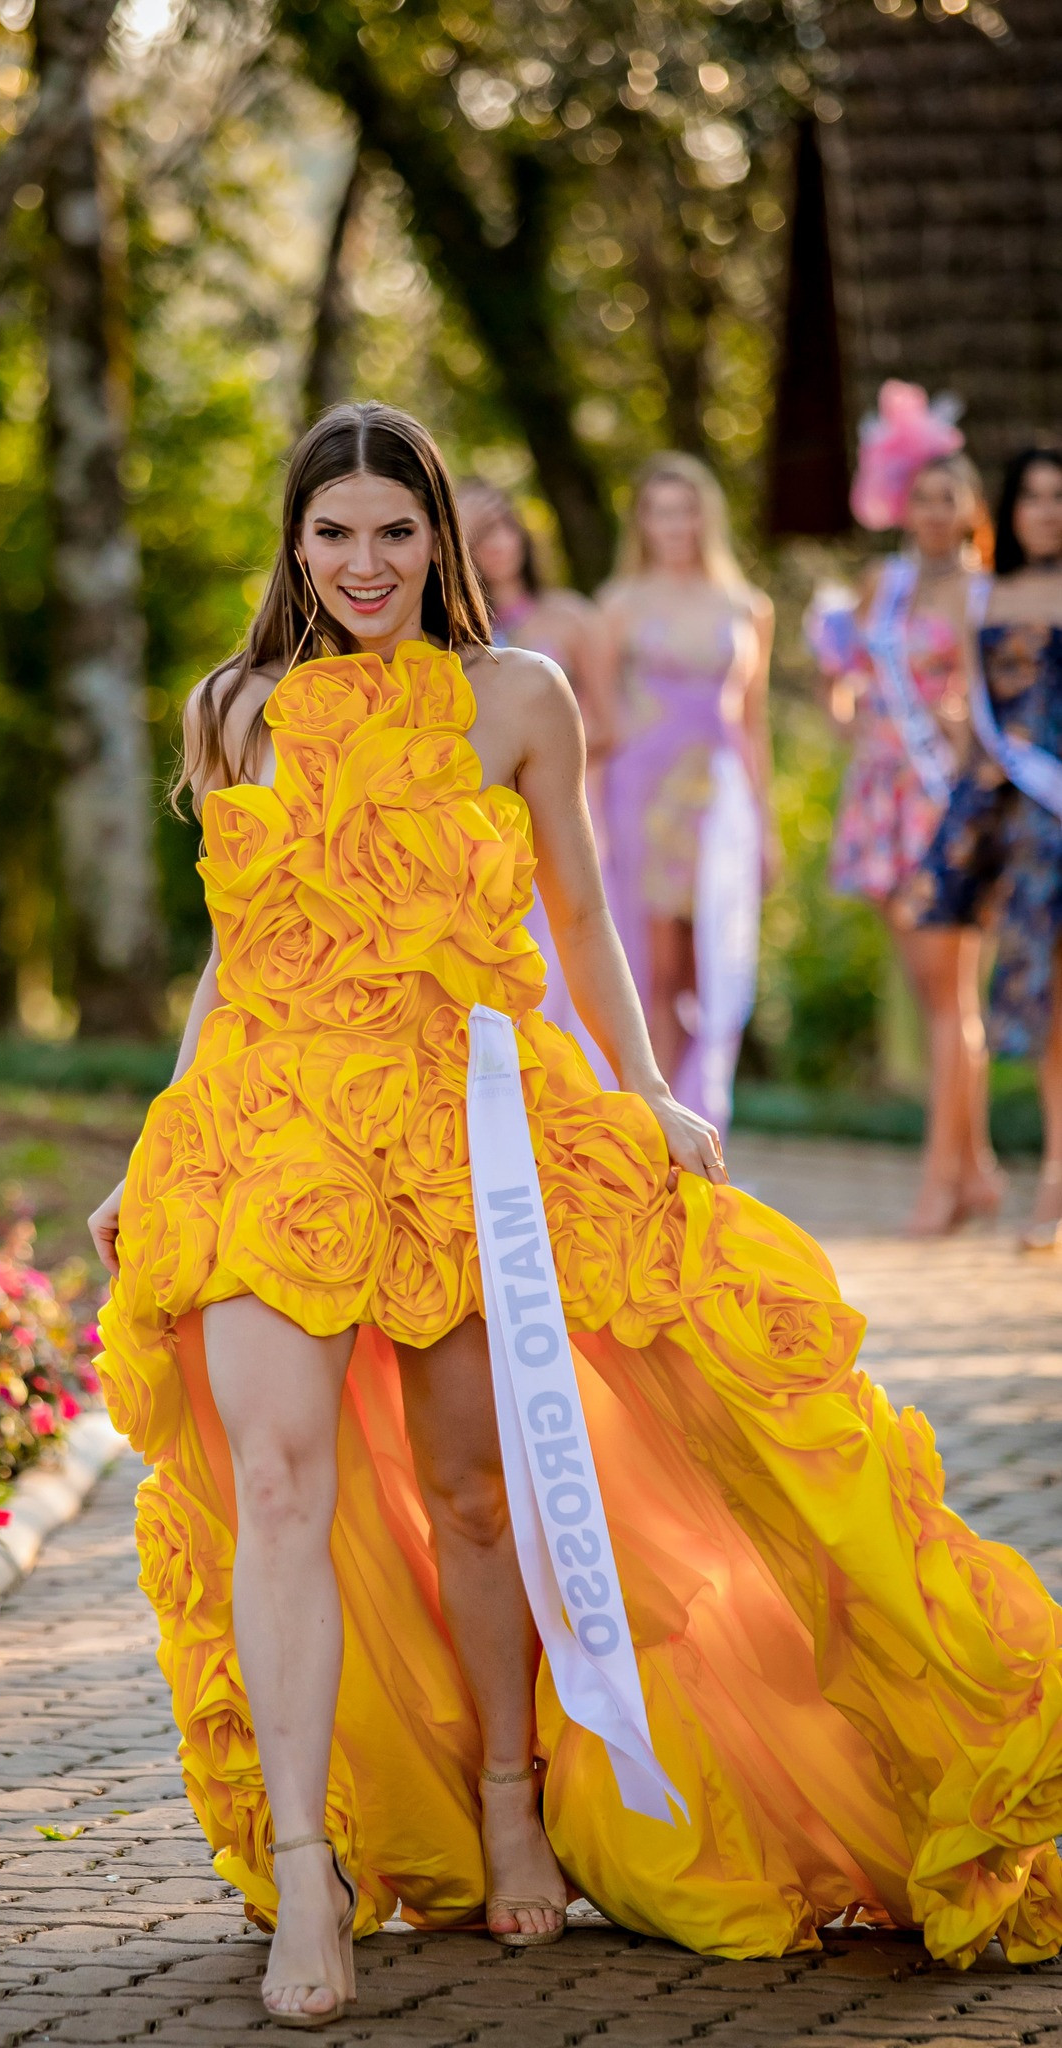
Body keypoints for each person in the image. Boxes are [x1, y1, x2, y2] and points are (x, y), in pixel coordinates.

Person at [88, 402, 1062, 2030]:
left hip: (458, 1119)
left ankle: (509, 1795)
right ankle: (315, 1872)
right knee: (274, 1478)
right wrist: (150, 1143)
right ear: (294, 544)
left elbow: (584, 918)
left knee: (477, 1490)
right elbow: (233, 953)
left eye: (396, 530)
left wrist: (646, 1084)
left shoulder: (517, 698)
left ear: (442, 539)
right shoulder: (232, 708)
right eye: (334, 532)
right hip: (263, 1125)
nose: (365, 562)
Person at [807, 383, 1002, 1236]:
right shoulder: (878, 585)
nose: (931, 512)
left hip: (946, 804)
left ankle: (941, 1179)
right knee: (929, 994)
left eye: (946, 499)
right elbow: (839, 681)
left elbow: (999, 704)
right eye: (919, 497)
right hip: (883, 797)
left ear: (969, 510)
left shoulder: (984, 593)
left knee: (946, 995)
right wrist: (835, 691)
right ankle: (977, 1171)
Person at [908, 446, 1062, 1251]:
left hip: (1054, 818)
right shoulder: (984, 594)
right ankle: (987, 1172)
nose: (1044, 510)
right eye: (1031, 496)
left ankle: (1053, 1186)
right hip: (993, 809)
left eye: (1057, 496)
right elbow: (977, 723)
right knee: (944, 952)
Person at [594, 453, 775, 1134]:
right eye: (659, 509)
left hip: (717, 803)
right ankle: (653, 1131)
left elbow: (752, 722)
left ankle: (707, 1119)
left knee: (715, 974)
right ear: (642, 520)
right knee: (657, 971)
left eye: (686, 508)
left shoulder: (745, 606)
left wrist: (766, 825)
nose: (674, 523)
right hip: (639, 795)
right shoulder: (617, 604)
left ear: (707, 515)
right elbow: (601, 715)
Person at [459, 478, 617, 1079]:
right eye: (481, 533)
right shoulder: (457, 637)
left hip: (564, 798)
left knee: (569, 934)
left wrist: (540, 743)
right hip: (488, 819)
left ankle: (579, 1085)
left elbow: (609, 723)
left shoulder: (569, 616)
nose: (498, 543)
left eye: (505, 525)